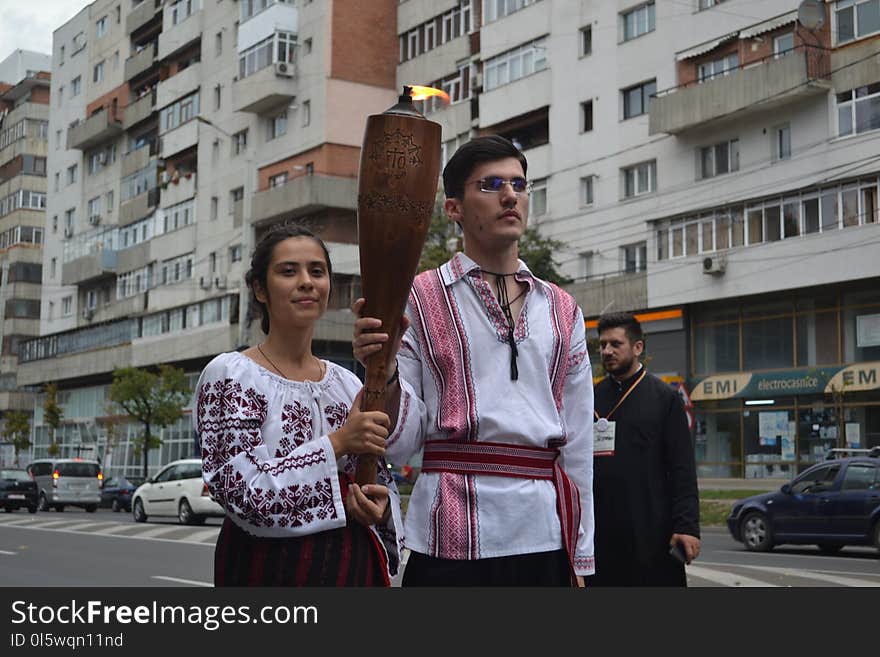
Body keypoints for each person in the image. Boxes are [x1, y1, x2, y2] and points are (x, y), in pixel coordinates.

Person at [353, 135, 595, 586]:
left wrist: (581, 557)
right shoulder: (417, 298)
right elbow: (403, 444)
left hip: (546, 535)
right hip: (448, 537)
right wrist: (381, 373)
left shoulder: (563, 309)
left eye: (520, 185)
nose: (510, 195)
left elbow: (578, 444)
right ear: (453, 209)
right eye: (490, 185)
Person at [194, 225, 408, 586]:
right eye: (288, 271)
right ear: (260, 289)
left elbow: (377, 475)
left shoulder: (347, 382)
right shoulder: (232, 375)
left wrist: (379, 506)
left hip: (351, 566)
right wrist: (339, 442)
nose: (307, 282)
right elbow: (237, 490)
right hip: (267, 569)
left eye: (317, 271)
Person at [587, 312, 700, 587]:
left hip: (651, 530)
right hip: (601, 533)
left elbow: (682, 467)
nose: (607, 351)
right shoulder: (589, 397)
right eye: (603, 345)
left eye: (616, 344)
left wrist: (686, 526)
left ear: (638, 348)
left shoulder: (664, 398)